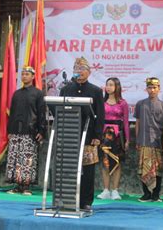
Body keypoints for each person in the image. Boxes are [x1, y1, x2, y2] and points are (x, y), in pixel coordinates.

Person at [59, 57, 105, 210]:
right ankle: (68, 199)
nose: (79, 72)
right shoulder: (65, 89)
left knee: (87, 171)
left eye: (82, 69)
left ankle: (86, 202)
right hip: (69, 136)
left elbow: (100, 115)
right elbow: (58, 110)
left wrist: (98, 136)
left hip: (88, 136)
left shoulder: (96, 91)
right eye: (76, 69)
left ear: (89, 72)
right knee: (69, 169)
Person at [6, 66, 46, 196]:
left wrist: (41, 131)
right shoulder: (17, 94)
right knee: (16, 157)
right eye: (22, 74)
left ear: (33, 77)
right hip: (16, 131)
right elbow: (12, 113)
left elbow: (41, 113)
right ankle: (17, 185)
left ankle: (27, 186)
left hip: (30, 131)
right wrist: (10, 130)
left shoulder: (38, 93)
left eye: (27, 74)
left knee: (27, 159)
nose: (24, 76)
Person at [134, 77, 163, 202]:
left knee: (158, 169)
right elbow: (137, 123)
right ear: (146, 89)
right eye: (149, 87)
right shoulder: (140, 104)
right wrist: (137, 140)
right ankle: (146, 194)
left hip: (157, 142)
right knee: (144, 168)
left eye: (154, 87)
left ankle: (156, 194)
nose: (152, 90)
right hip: (143, 141)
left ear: (159, 89)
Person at [97, 77, 129, 201]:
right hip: (104, 136)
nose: (108, 87)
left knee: (117, 162)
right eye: (107, 85)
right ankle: (105, 190)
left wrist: (127, 140)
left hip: (117, 136)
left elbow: (126, 122)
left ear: (117, 87)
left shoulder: (123, 103)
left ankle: (115, 190)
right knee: (105, 163)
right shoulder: (101, 102)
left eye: (111, 85)